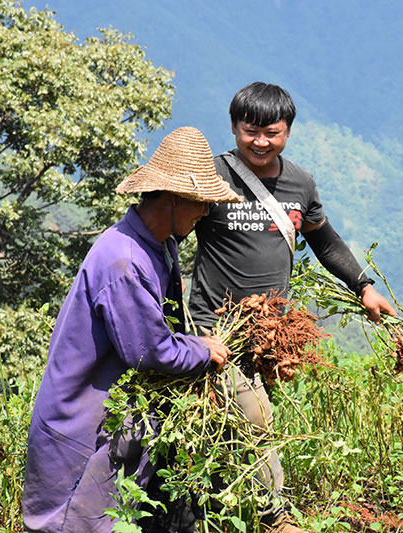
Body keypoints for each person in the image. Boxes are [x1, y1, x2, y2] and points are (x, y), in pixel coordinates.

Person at [188, 82, 397, 530]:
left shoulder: (299, 183)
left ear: (288, 132)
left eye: (272, 133)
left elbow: (323, 239)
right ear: (234, 128)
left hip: (268, 338)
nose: (261, 143)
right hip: (213, 332)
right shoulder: (212, 176)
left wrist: (363, 286)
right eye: (250, 132)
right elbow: (168, 238)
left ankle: (212, 513)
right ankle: (275, 518)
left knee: (228, 426)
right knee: (255, 420)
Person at [22, 127, 243, 533]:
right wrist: (202, 351)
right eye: (202, 204)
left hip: (111, 413)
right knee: (75, 522)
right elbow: (149, 349)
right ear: (175, 200)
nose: (205, 214)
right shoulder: (124, 261)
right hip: (80, 422)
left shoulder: (160, 246)